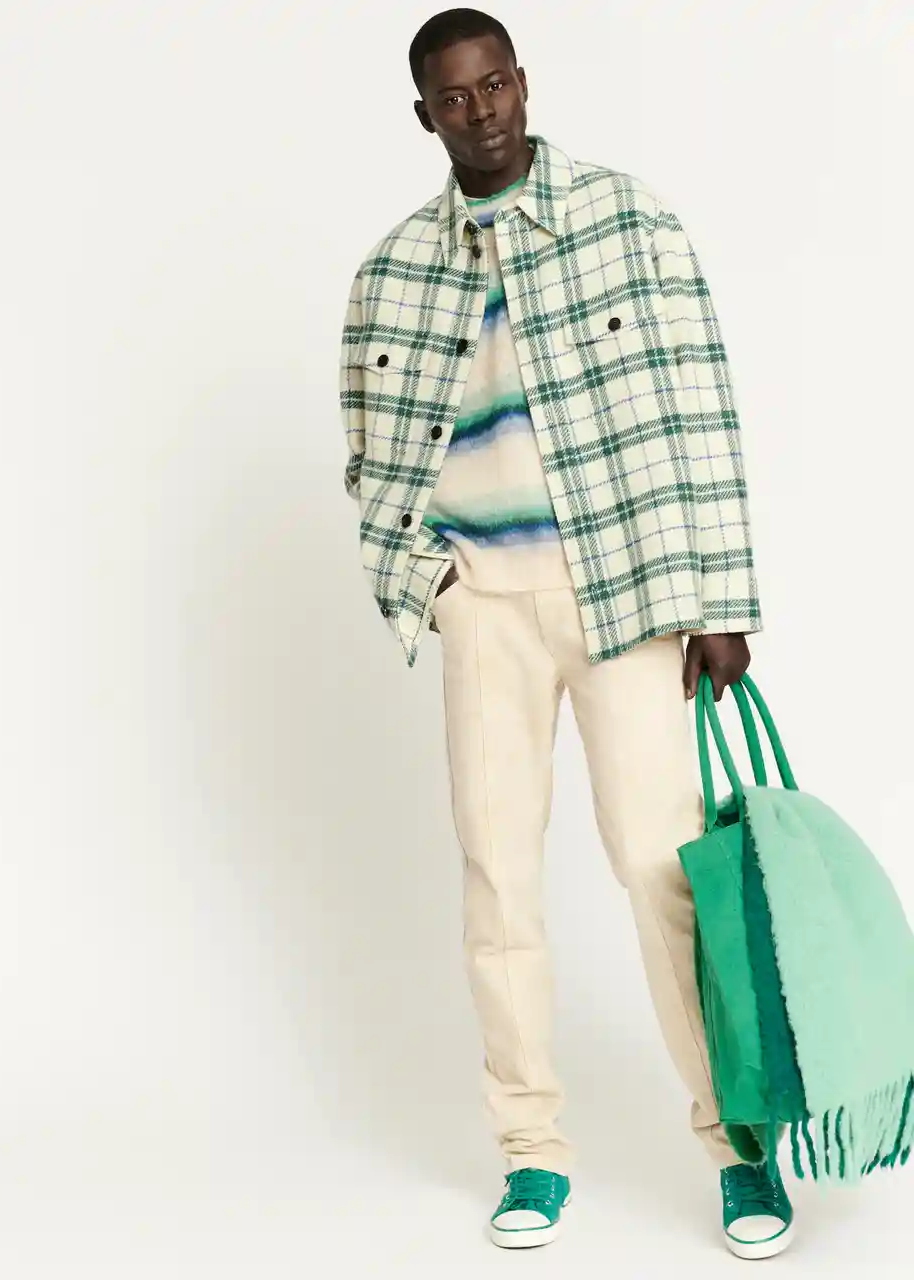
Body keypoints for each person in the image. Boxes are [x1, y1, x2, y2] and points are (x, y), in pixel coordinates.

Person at [338, 7, 792, 1259]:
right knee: (498, 880)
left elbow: (703, 405)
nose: (479, 110)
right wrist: (427, 584)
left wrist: (720, 599)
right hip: (484, 606)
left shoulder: (628, 219)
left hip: (625, 594)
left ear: (521, 83)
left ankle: (739, 1145)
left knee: (662, 870)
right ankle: (529, 1148)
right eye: (452, 96)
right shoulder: (391, 271)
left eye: (493, 85)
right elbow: (367, 451)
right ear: (424, 115)